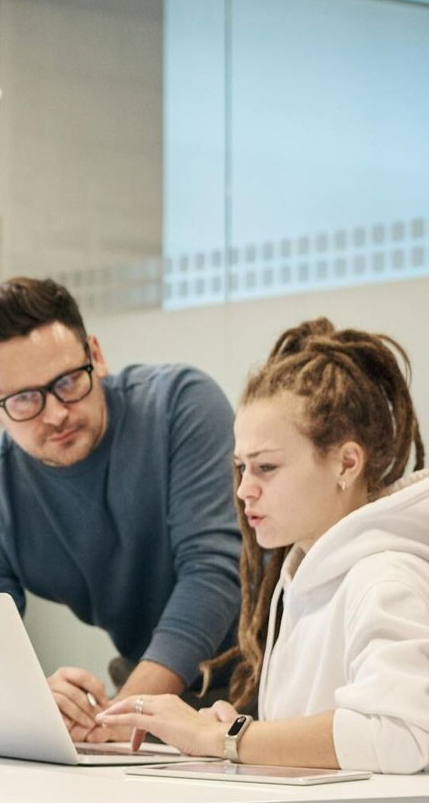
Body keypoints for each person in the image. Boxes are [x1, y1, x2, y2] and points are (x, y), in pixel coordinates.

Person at [99, 319, 429, 776]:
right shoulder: (304, 579)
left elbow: (400, 735)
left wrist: (224, 738)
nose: (243, 491)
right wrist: (241, 730)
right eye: (241, 468)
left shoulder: (384, 579)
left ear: (346, 463)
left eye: (266, 467)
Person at [0, 277, 242, 743]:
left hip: (271, 669)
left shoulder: (180, 406)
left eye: (67, 382)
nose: (56, 413)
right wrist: (39, 703)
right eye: (24, 399)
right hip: (155, 685)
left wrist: (119, 718)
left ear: (96, 356)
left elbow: (214, 571)